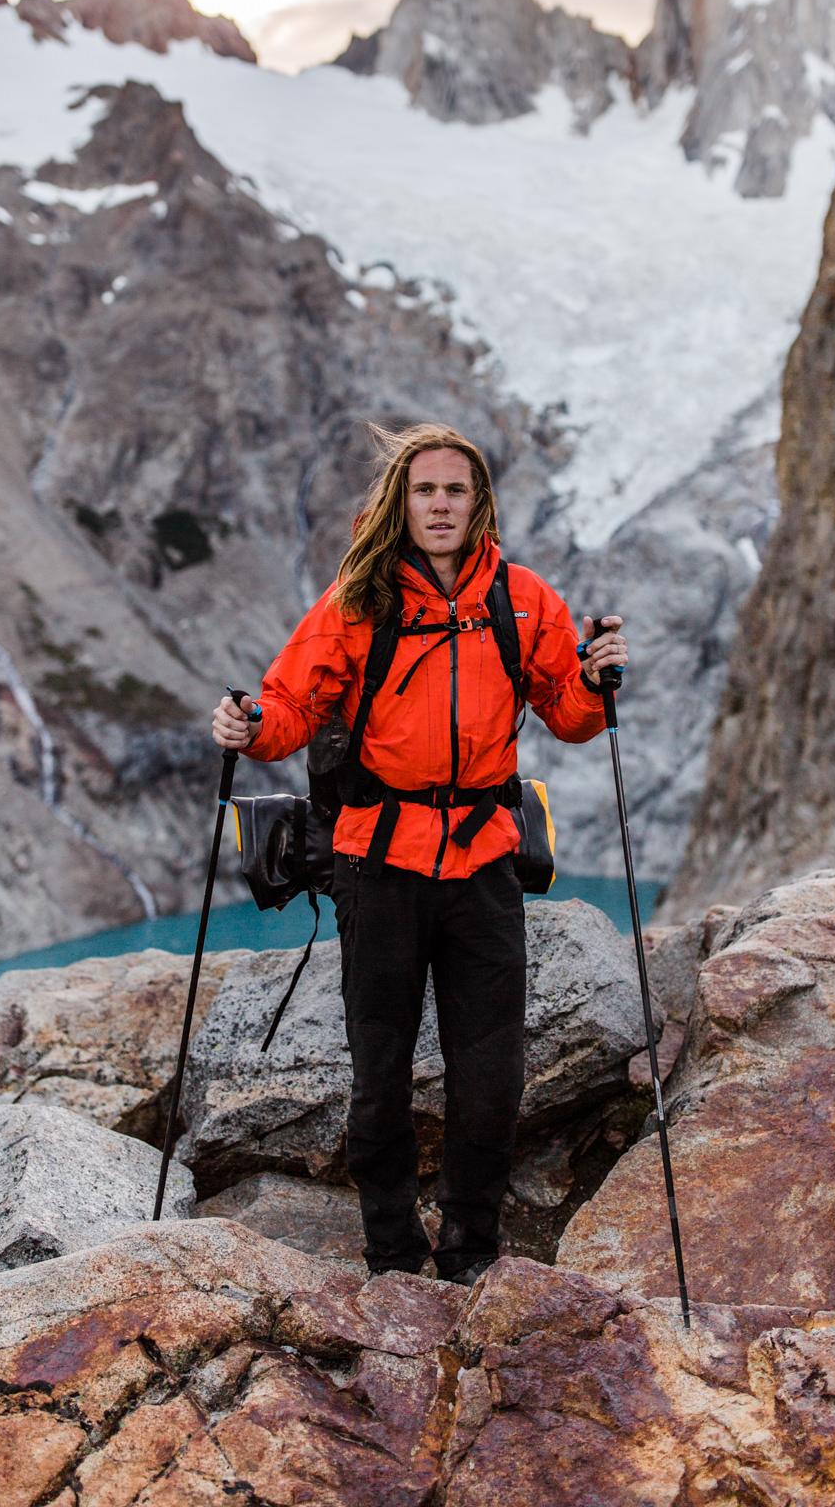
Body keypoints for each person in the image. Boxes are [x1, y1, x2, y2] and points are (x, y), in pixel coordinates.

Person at [212, 421, 628, 1285]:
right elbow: (290, 706)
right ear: (400, 504)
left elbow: (571, 715)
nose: (439, 505)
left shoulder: (523, 600)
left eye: (454, 490)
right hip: (377, 862)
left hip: (482, 863)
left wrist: (594, 679)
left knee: (492, 1076)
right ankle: (393, 1252)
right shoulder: (355, 602)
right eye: (423, 491)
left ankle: (472, 1250)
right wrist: (249, 727)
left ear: (479, 504)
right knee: (379, 1074)